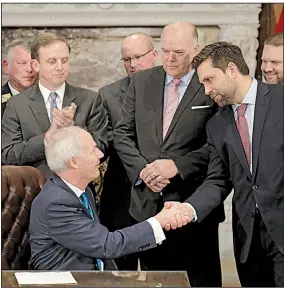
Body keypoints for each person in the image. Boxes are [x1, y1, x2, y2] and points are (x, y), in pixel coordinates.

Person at [113, 21, 223, 287]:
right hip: (146, 206)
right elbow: (122, 134)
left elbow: (219, 144)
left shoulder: (208, 83)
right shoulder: (141, 81)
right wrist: (143, 171)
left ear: (195, 50)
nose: (171, 59)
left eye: (179, 52)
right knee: (154, 281)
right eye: (166, 51)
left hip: (193, 206)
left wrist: (176, 165)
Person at [168, 41, 283, 287]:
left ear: (232, 69)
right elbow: (218, 179)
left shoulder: (280, 100)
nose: (206, 90)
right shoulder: (217, 123)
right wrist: (188, 209)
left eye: (210, 80)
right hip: (249, 245)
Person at [29, 126, 192, 270]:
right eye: (93, 150)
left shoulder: (81, 190)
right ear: (74, 162)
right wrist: (160, 221)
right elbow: (107, 245)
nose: (100, 155)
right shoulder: (56, 202)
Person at [2, 32, 108, 179]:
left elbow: (102, 148)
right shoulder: (17, 104)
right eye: (52, 61)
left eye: (64, 61)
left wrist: (73, 130)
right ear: (36, 65)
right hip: (34, 192)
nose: (60, 67)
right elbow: (7, 155)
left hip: (78, 190)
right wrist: (47, 138)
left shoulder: (90, 99)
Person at [98, 32, 157, 270]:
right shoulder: (108, 94)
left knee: (158, 268)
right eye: (127, 59)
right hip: (120, 190)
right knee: (120, 269)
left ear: (153, 55)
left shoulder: (170, 89)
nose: (133, 64)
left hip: (158, 191)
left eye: (138, 57)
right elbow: (105, 136)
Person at [2, 39, 37, 116]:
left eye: (33, 63)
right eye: (22, 63)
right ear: (6, 66)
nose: (30, 69)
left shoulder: (49, 97)